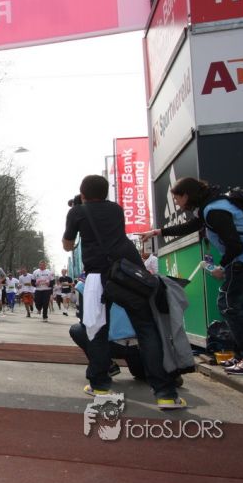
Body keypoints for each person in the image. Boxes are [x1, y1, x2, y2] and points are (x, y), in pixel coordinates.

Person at [63, 174, 186, 410]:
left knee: (97, 330)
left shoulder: (77, 212)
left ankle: (100, 385)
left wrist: (76, 213)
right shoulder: (116, 209)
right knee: (147, 329)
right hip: (127, 274)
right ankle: (165, 393)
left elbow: (68, 245)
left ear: (83, 193)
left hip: (98, 277)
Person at [140, 177, 243, 376]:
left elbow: (235, 245)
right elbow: (190, 226)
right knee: (232, 305)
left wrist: (222, 266)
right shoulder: (210, 206)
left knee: (229, 305)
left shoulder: (214, 211)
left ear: (186, 195)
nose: (176, 203)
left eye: (177, 198)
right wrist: (157, 232)